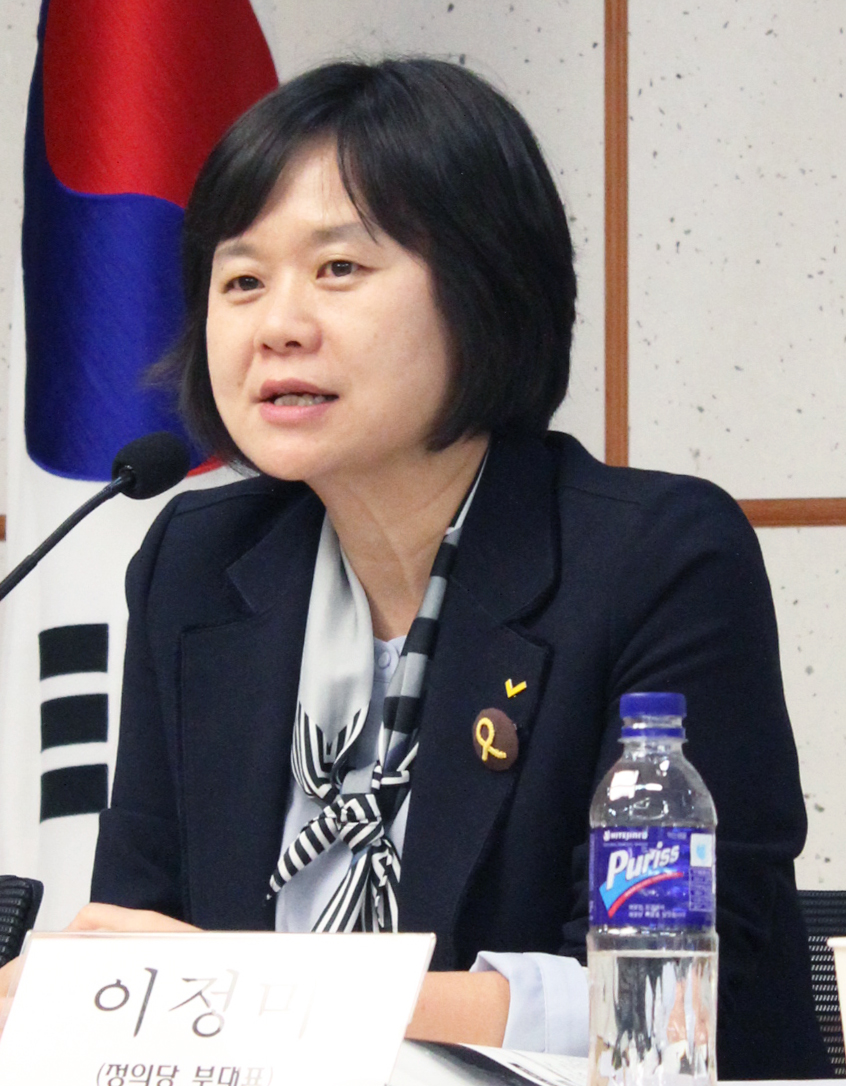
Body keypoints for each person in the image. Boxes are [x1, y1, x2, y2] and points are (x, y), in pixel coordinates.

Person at [3, 58, 827, 1075]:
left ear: (487, 288)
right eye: (242, 280)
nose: (278, 326)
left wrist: (252, 989)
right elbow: (142, 938)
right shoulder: (200, 566)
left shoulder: (655, 561)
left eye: (339, 269)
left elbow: (665, 999)